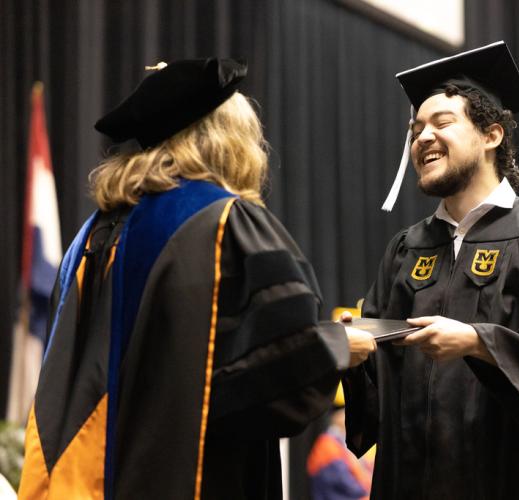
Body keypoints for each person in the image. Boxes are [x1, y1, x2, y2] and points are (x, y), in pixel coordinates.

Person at [17, 58, 375, 500]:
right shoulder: (227, 222)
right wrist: (339, 346)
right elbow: (276, 382)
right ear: (228, 139)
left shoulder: (91, 235)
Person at [342, 41, 519, 499]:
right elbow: (380, 385)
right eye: (415, 129)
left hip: (509, 479)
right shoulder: (406, 248)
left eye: (441, 123)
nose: (422, 137)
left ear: (492, 136)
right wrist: (354, 353)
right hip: (411, 480)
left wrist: (478, 342)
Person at [307, 385, 372, 500]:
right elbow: (345, 485)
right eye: (346, 412)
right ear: (336, 416)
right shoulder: (326, 446)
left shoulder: (345, 443)